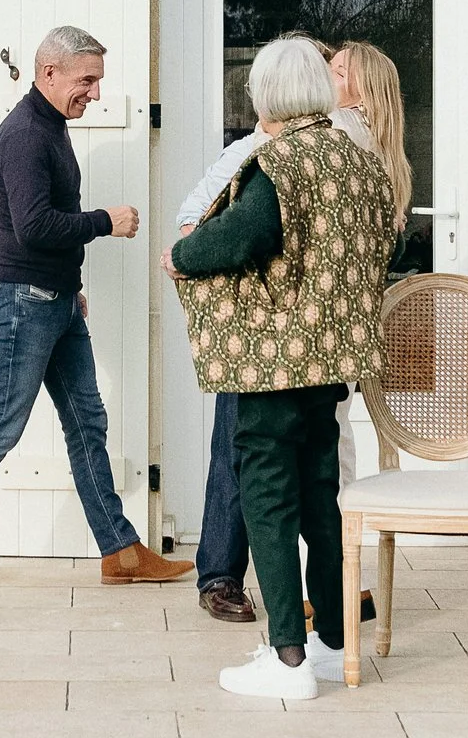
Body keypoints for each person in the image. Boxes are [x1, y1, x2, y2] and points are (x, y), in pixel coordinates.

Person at [0, 26, 194, 596]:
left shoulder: (52, 128)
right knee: (1, 427)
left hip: (56, 301)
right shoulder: (24, 135)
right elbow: (34, 226)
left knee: (87, 424)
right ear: (50, 74)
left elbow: (43, 226)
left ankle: (120, 552)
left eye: (97, 81)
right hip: (24, 303)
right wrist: (104, 222)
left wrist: (71, 286)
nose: (93, 92)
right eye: (86, 80)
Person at [167, 36, 395, 700]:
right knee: (320, 495)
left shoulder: (282, 159)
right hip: (332, 359)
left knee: (267, 492)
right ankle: (331, 643)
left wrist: (183, 256)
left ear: (269, 95)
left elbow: (242, 234)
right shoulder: (357, 161)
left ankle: (287, 656)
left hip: (275, 360)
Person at [334, 39, 416, 266]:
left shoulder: (338, 126)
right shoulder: (382, 148)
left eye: (339, 74)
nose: (325, 77)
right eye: (327, 68)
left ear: (367, 97)